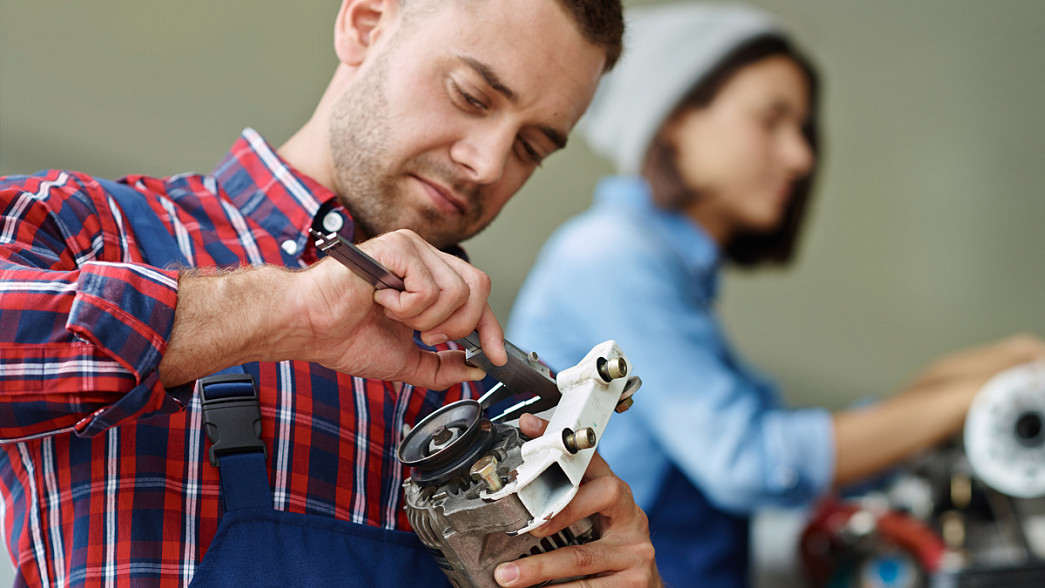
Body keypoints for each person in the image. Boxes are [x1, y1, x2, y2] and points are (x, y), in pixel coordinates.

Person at [0, 0, 662, 586]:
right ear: (364, 24)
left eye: (529, 147)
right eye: (470, 96)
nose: (488, 163)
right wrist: (288, 311)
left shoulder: (502, 397)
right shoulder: (94, 228)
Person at [506, 2, 1045, 587]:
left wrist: (987, 369)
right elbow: (752, 463)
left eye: (803, 129)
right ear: (677, 119)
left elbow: (807, 448)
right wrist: (969, 395)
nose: (801, 155)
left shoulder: (658, 269)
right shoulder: (610, 255)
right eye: (772, 119)